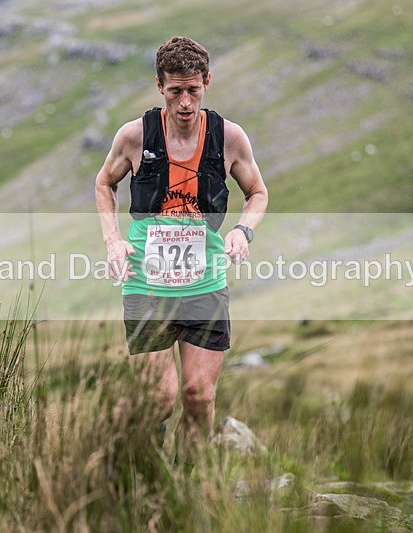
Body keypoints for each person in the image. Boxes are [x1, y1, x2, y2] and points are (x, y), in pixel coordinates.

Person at [94, 36, 268, 467]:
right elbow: (104, 184)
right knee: (159, 397)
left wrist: (243, 232)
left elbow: (258, 193)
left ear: (207, 82)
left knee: (198, 395)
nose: (186, 102)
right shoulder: (135, 136)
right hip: (146, 282)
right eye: (176, 91)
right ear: (160, 87)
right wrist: (113, 240)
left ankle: (192, 485)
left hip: (205, 283)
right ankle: (147, 478)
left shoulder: (229, 138)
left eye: (194, 90)